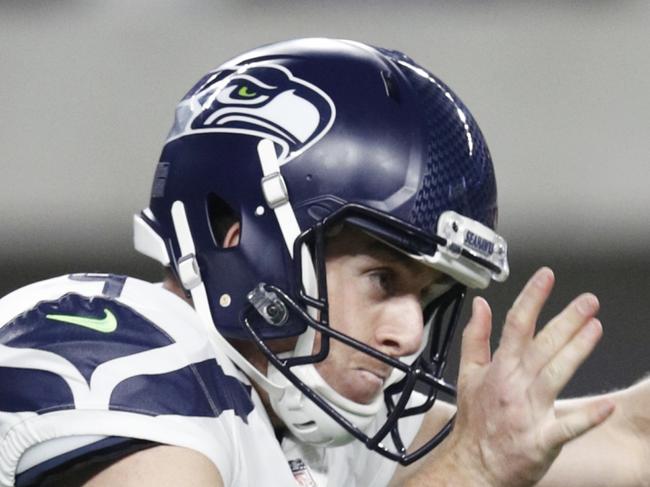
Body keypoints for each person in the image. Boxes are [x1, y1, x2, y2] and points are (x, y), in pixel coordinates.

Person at [0, 38, 648, 487]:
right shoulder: (117, 354)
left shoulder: (311, 405)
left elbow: (631, 441)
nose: (410, 332)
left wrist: (489, 452)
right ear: (241, 234)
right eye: (383, 278)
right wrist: (469, 469)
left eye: (424, 297)